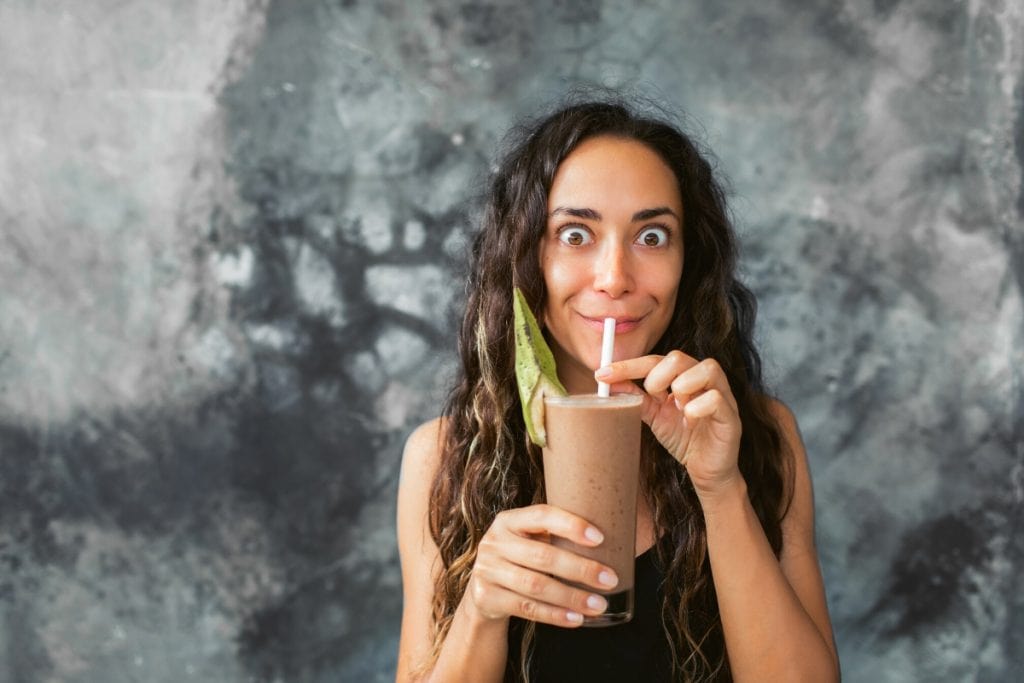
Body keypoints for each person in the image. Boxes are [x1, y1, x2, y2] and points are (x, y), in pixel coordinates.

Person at [395, 96, 839, 682]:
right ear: (526, 255)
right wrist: (480, 610)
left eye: (652, 237)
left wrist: (720, 486)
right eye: (575, 235)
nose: (615, 278)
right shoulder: (447, 458)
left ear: (690, 260)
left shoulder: (763, 437)